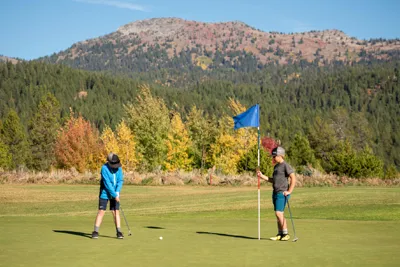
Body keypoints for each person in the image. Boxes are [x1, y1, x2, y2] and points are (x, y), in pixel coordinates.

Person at [257, 146, 296, 241]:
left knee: (279, 213)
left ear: (280, 155)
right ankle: (280, 234)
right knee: (277, 214)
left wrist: (289, 191)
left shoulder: (285, 165)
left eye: (274, 156)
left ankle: (286, 234)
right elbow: (273, 180)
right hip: (275, 192)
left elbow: (293, 178)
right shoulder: (276, 167)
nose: (273, 158)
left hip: (282, 193)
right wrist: (261, 176)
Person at [92, 153, 124, 239]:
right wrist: (114, 194)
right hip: (104, 193)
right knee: (101, 211)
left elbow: (120, 180)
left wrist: (117, 191)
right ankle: (95, 231)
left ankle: (119, 231)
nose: (116, 166)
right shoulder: (104, 168)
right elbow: (107, 183)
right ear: (109, 162)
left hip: (115, 192)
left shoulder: (119, 168)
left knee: (116, 211)